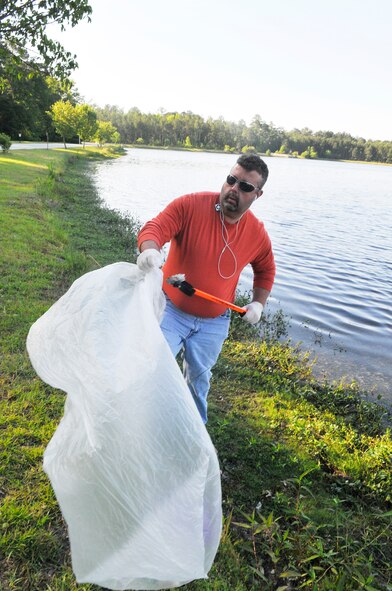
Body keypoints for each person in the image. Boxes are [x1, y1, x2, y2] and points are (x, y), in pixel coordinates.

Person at [137, 153, 275, 424]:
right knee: (153, 368)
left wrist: (258, 303)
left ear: (257, 195)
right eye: (231, 180)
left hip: (215, 323)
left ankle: (193, 437)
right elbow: (155, 228)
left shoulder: (257, 233)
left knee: (198, 382)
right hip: (171, 312)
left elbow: (266, 270)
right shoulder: (191, 205)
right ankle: (143, 427)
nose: (234, 189)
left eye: (245, 187)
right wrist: (150, 252)